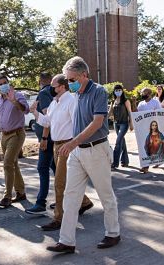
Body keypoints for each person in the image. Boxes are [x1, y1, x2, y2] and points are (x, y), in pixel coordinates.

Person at [47, 56, 120, 254]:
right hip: (77, 152)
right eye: (68, 80)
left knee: (106, 195)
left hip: (96, 149)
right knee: (71, 196)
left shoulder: (98, 92)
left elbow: (97, 122)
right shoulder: (76, 94)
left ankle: (113, 233)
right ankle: (67, 241)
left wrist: (72, 142)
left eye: (72, 79)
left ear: (84, 75)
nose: (69, 83)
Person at [30, 74, 94, 231]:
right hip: (56, 145)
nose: (51, 89)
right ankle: (84, 202)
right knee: (65, 181)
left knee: (59, 182)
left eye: (54, 86)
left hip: (67, 145)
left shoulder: (71, 101)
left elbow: (78, 123)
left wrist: (74, 145)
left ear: (62, 86)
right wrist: (35, 113)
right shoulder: (54, 103)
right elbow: (47, 122)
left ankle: (59, 218)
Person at [0, 74, 29, 207]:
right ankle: (21, 192)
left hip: (17, 134)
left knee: (7, 163)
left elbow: (25, 110)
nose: (3, 85)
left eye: (5, 82)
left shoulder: (18, 95)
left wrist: (14, 101)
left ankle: (7, 196)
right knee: (13, 163)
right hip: (4, 135)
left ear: (8, 83)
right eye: (0, 84)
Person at [25, 72, 56, 215]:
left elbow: (47, 118)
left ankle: (40, 203)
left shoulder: (43, 93)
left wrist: (44, 138)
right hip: (52, 138)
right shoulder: (54, 93)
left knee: (42, 168)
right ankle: (69, 199)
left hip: (47, 139)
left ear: (40, 81)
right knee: (57, 170)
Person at [136, 87, 161, 173]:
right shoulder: (140, 104)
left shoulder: (155, 102)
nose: (142, 94)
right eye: (142, 93)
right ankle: (145, 166)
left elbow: (160, 113)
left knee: (154, 146)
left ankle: (156, 160)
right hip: (143, 128)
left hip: (153, 129)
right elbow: (137, 115)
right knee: (145, 146)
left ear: (149, 94)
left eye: (144, 93)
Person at [109, 84, 133, 170]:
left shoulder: (126, 101)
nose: (118, 92)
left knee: (118, 142)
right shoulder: (113, 101)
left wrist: (131, 124)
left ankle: (114, 164)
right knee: (122, 141)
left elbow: (130, 113)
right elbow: (109, 113)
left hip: (124, 124)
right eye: (116, 90)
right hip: (116, 124)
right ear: (114, 92)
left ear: (122, 91)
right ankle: (125, 161)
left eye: (119, 90)